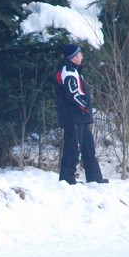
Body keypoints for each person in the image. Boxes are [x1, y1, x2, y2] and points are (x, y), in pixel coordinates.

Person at [54, 44, 108, 185]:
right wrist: (84, 107)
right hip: (73, 117)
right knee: (73, 148)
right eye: (79, 55)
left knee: (88, 148)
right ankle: (67, 179)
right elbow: (72, 93)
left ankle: (94, 177)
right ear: (73, 57)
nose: (82, 57)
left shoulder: (75, 71)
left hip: (81, 117)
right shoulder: (68, 72)